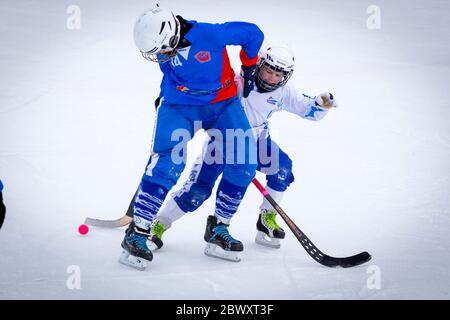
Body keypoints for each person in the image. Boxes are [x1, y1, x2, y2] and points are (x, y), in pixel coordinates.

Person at [146, 44, 337, 258]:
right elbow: (207, 104)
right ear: (259, 64)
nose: (271, 78)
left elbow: (305, 108)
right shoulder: (238, 80)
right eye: (268, 71)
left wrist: (321, 104)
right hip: (221, 142)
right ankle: (158, 224)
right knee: (197, 191)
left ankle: (266, 218)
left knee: (282, 170)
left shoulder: (285, 90)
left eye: (277, 75)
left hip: (257, 141)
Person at [119, 6, 264, 270]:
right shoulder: (162, 45)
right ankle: (138, 232)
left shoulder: (211, 34)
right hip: (178, 107)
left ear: (172, 35)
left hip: (223, 105)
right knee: (168, 163)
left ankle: (219, 229)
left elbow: (254, 34)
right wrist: (163, 95)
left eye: (161, 49)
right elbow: (171, 73)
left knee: (245, 164)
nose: (159, 56)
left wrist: (250, 65)